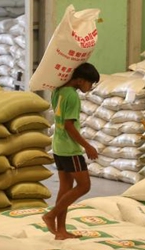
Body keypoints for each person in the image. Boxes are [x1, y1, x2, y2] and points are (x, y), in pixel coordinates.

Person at [42, 62, 101, 240]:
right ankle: (50, 215)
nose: (90, 88)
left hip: (58, 146)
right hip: (70, 149)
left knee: (65, 188)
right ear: (80, 80)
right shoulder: (73, 97)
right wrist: (87, 146)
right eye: (90, 84)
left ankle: (61, 231)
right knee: (84, 186)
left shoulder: (57, 91)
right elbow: (69, 125)